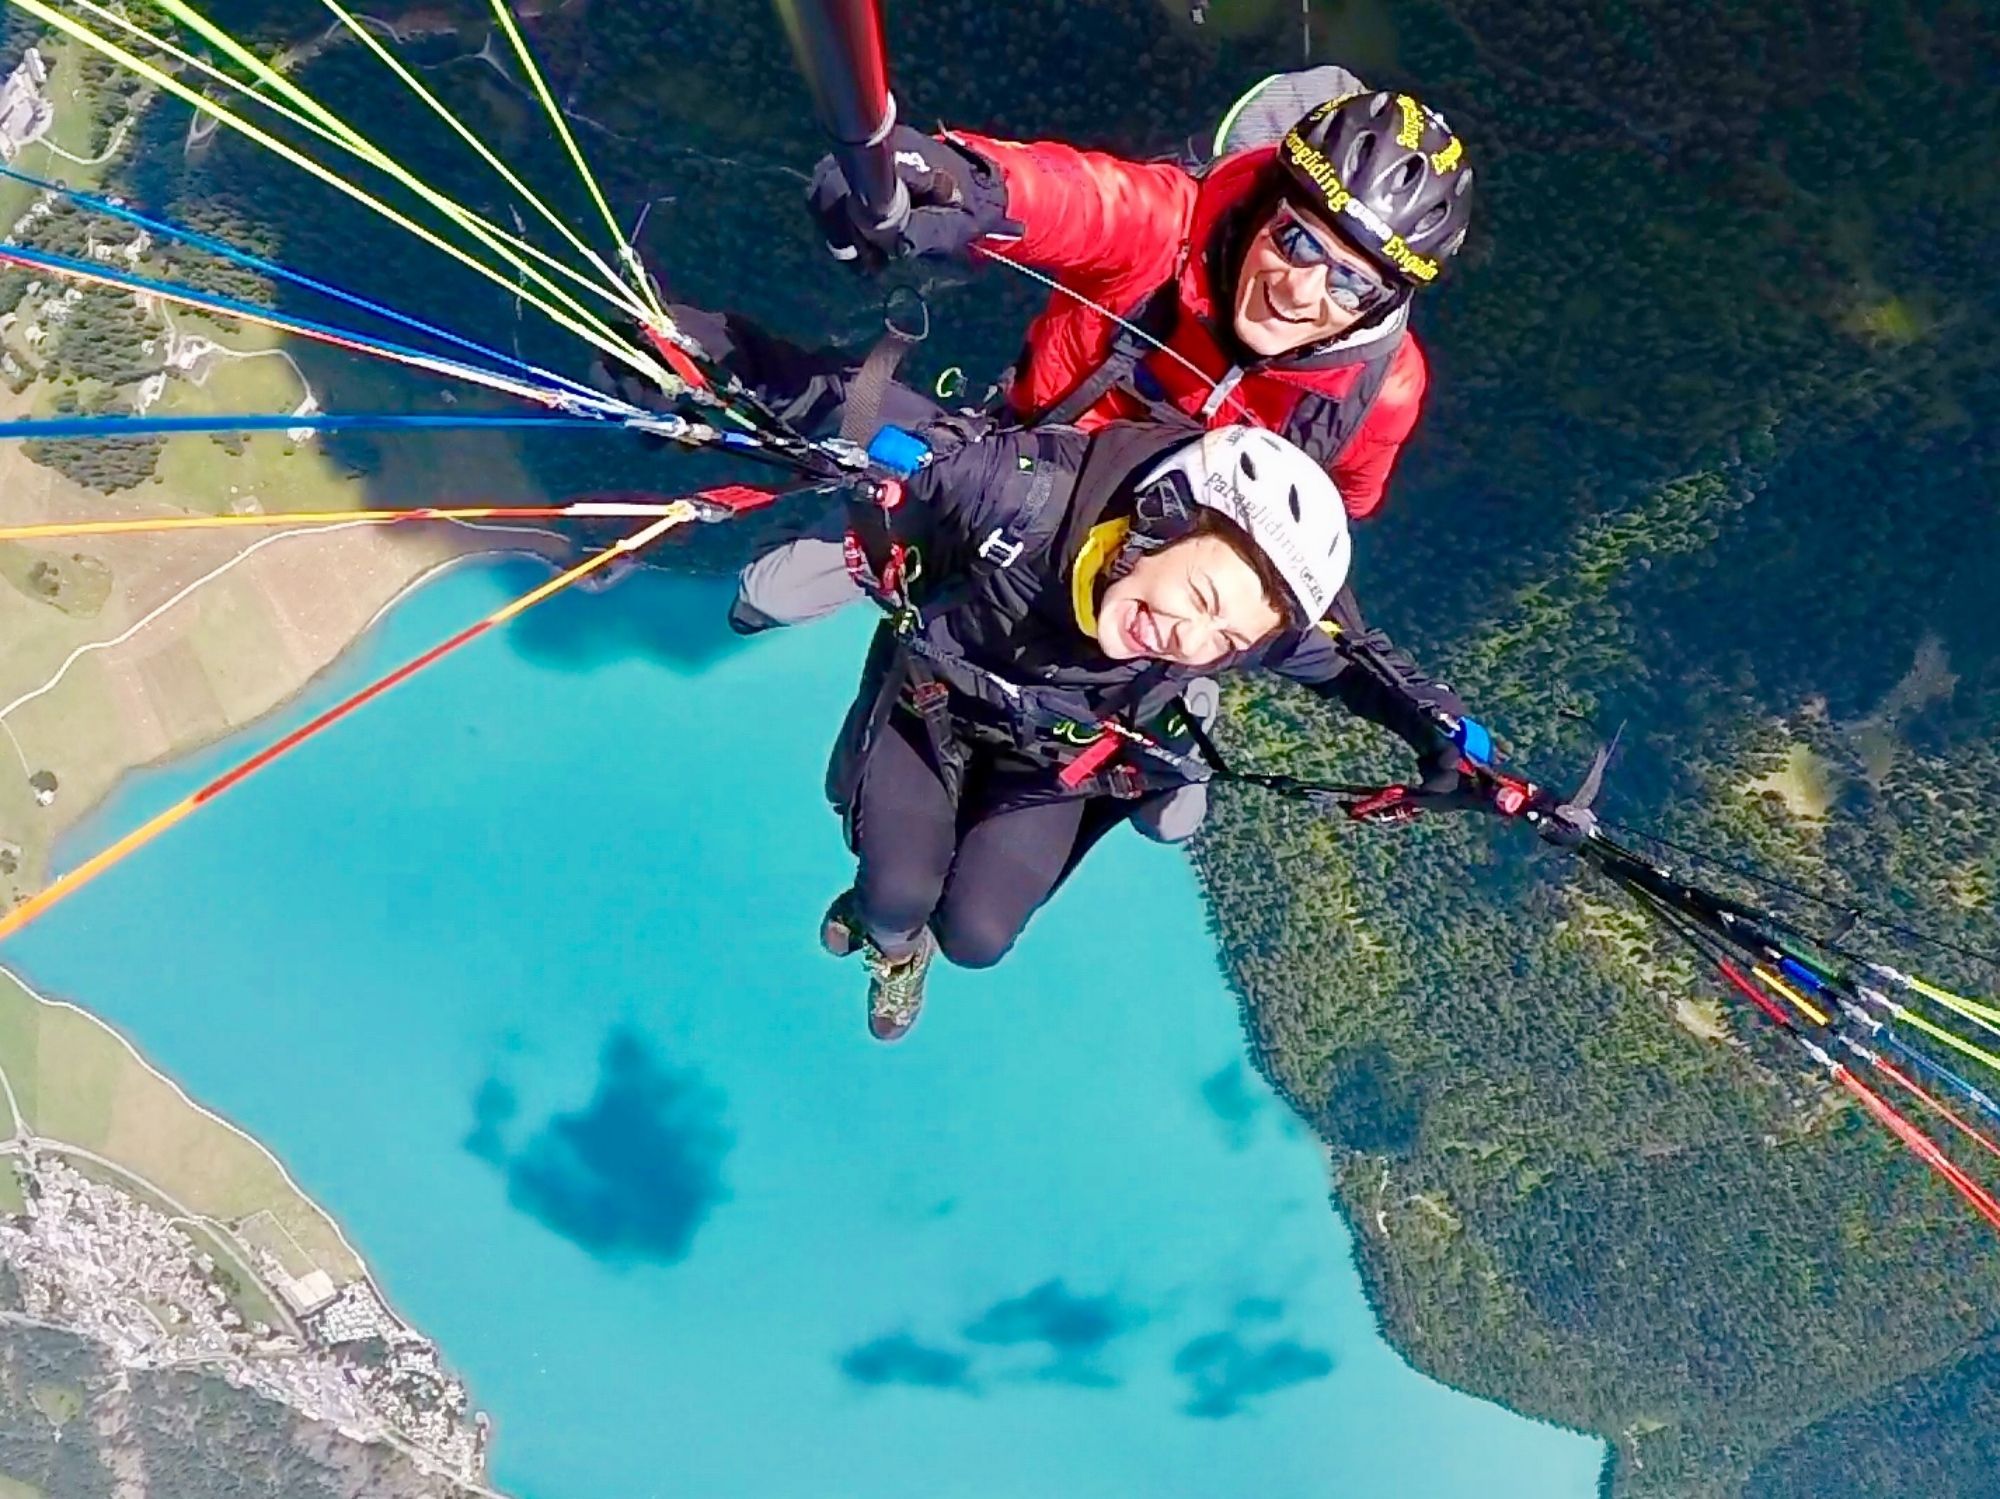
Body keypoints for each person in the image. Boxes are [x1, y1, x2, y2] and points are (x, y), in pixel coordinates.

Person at [808, 415, 1515, 1042]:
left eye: (1226, 636)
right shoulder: (1029, 498)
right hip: (933, 717)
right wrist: (891, 462)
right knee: (896, 894)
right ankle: (893, 939)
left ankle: (903, 919)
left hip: (1054, 764)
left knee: (975, 937)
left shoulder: (1246, 625)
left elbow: (1362, 672)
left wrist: (1451, 740)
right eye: (1201, 596)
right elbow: (886, 428)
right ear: (1157, 524)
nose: (1188, 636)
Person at [807, 67, 1475, 517]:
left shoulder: (1379, 390)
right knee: (773, 591)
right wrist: (947, 182)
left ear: (1386, 301)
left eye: (1352, 281)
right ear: (1261, 206)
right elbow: (1075, 198)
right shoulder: (1171, 228)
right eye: (1296, 239)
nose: (1300, 293)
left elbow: (1339, 506)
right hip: (1005, 466)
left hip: (1149, 583)